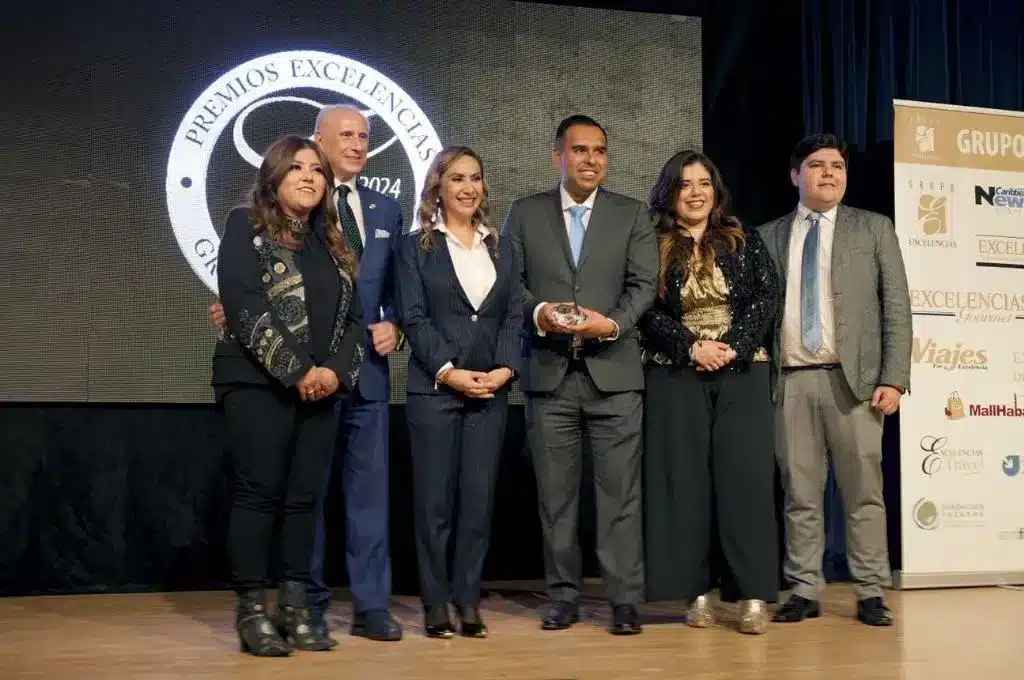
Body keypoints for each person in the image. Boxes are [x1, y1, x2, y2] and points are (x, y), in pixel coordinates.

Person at [210, 104, 404, 643]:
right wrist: (299, 372)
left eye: (316, 170)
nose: (309, 177)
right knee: (259, 493)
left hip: (323, 388)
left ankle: (295, 609)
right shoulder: (244, 225)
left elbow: (355, 318)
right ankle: (253, 611)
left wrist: (335, 374)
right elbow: (244, 303)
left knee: (303, 499)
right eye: (297, 167)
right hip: (258, 383)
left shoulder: (333, 241)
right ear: (274, 176)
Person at [503, 115, 658, 635]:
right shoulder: (525, 213)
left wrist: (611, 324)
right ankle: (563, 596)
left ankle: (624, 600)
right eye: (580, 150)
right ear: (558, 157)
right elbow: (510, 284)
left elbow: (643, 285)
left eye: (600, 151)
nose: (591, 160)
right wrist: (539, 312)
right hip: (549, 376)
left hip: (614, 377)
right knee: (556, 498)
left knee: (621, 496)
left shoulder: (631, 214)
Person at [757, 133, 911, 627]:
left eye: (837, 166)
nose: (828, 173)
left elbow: (896, 308)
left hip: (857, 384)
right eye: (817, 165)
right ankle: (804, 588)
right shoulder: (767, 236)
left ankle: (870, 591)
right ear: (794, 175)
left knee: (864, 493)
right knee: (799, 494)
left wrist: (894, 378)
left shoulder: (874, 228)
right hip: (790, 382)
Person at [638, 150, 780, 635]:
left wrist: (732, 346)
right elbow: (643, 309)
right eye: (685, 184)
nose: (696, 193)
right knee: (684, 485)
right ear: (669, 193)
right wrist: (691, 346)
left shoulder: (745, 239)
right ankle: (694, 592)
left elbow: (766, 297)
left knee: (746, 483)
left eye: (704, 183)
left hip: (743, 370)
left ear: (716, 190)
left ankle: (752, 595)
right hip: (675, 372)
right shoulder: (649, 244)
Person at [394, 146, 523, 639]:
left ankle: (468, 601)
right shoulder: (415, 248)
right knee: (434, 506)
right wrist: (448, 372)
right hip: (435, 391)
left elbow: (513, 315)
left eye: (475, 178)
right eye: (457, 179)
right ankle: (435, 603)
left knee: (477, 503)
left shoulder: (503, 248)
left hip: (490, 392)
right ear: (438, 188)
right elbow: (413, 317)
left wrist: (506, 368)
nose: (468, 188)